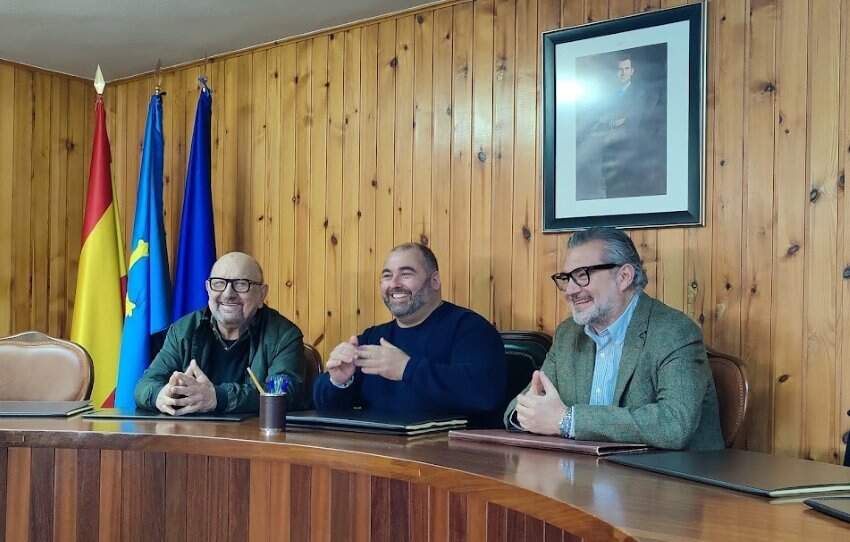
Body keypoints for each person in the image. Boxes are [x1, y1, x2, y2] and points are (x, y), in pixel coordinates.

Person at [505, 227, 723, 450]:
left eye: (582, 275)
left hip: (668, 477)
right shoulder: (568, 334)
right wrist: (528, 413)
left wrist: (568, 420)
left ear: (624, 277)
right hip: (585, 476)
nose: (569, 290)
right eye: (566, 278)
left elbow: (674, 424)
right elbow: (518, 407)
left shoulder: (674, 332)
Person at [313, 243, 507, 426]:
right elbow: (326, 407)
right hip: (377, 452)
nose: (395, 284)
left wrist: (407, 369)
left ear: (435, 281)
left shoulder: (470, 330)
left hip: (447, 456)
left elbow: (484, 394)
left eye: (406, 274)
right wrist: (338, 381)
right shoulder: (373, 337)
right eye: (387, 276)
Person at [135, 251, 310, 414]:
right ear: (208, 288)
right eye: (218, 283)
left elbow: (283, 393)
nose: (228, 294)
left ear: (262, 294)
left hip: (257, 441)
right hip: (192, 440)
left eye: (241, 284)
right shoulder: (183, 331)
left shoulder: (284, 336)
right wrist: (160, 395)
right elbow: (145, 386)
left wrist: (219, 397)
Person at [577, 53, 667, 200]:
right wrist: (612, 122)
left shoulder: (640, 94)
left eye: (626, 68)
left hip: (631, 156)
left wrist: (615, 122)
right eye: (620, 69)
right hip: (608, 157)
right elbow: (598, 120)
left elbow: (633, 120)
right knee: (611, 194)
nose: (623, 72)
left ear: (632, 71)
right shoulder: (606, 96)